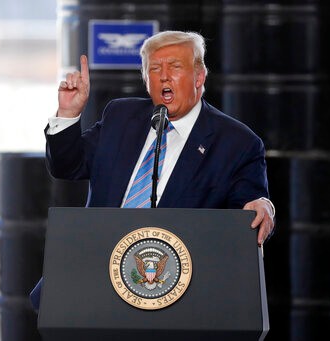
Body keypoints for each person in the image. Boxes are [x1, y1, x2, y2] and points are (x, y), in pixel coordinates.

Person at [31, 30, 275, 309]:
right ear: (146, 80)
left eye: (175, 67)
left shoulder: (237, 143)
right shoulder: (120, 117)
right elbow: (66, 166)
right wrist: (69, 114)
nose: (164, 76)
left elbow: (252, 208)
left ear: (199, 76)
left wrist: (263, 206)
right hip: (91, 283)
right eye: (155, 68)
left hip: (176, 298)